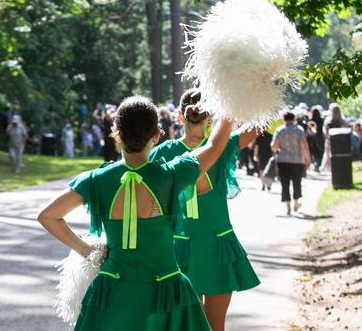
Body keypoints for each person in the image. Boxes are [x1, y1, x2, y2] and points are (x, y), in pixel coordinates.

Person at [38, 96, 237, 331]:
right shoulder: (172, 174)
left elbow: (48, 216)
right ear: (156, 135)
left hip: (113, 288)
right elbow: (215, 145)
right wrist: (230, 102)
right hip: (165, 288)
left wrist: (87, 250)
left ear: (117, 135)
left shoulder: (96, 179)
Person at [148, 89, 260, 331]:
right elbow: (259, 124)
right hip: (219, 244)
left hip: (179, 247)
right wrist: (255, 84)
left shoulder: (161, 153)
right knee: (215, 326)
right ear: (211, 116)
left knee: (186, 327)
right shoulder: (225, 146)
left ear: (180, 116)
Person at [272, 111, 311, 215]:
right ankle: (296, 203)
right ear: (294, 119)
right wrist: (307, 158)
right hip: (297, 160)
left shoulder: (279, 130)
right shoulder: (299, 130)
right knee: (297, 182)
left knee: (285, 183)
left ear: (284, 119)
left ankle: (288, 207)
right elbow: (304, 145)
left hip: (283, 161)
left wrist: (279, 149)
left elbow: (274, 147)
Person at [320, 103, 348, 172]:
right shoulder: (328, 120)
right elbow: (324, 129)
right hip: (331, 140)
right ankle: (330, 168)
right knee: (329, 154)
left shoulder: (342, 120)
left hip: (337, 141)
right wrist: (327, 136)